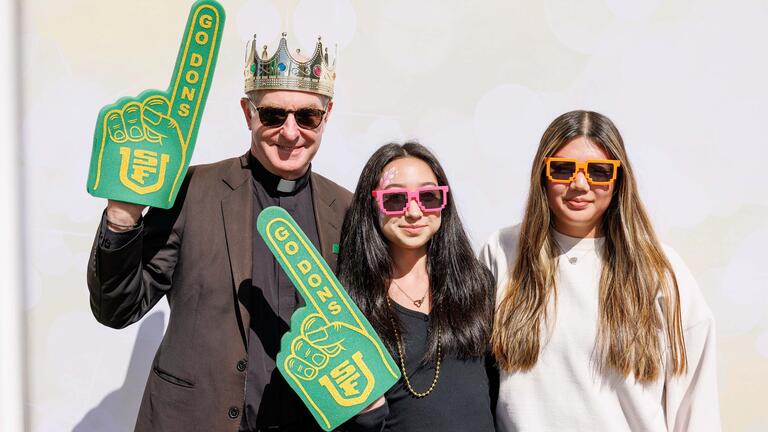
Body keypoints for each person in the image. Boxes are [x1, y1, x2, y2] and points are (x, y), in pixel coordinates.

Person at [86, 34, 352, 431]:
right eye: (274, 115)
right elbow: (117, 309)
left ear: (326, 116)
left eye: (307, 116)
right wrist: (123, 217)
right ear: (248, 114)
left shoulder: (347, 210)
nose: (291, 132)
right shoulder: (193, 191)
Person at [480, 110, 721, 431]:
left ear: (619, 179)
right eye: (563, 169)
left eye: (599, 171)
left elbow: (695, 403)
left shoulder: (660, 270)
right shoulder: (501, 252)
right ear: (542, 174)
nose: (580, 184)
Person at [337, 142, 496, 432]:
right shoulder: (349, 302)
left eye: (428, 196)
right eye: (395, 199)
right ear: (371, 204)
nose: (413, 211)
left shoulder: (477, 284)